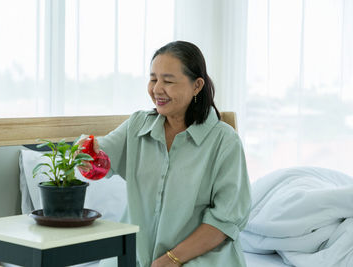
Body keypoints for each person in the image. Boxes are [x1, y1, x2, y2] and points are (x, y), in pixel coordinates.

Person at [79, 41, 251, 267]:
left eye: (168, 81)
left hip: (200, 258)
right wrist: (84, 151)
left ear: (197, 86)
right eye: (153, 79)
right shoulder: (137, 125)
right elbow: (99, 162)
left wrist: (171, 260)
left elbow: (225, 221)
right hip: (133, 256)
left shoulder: (224, 141)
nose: (157, 89)